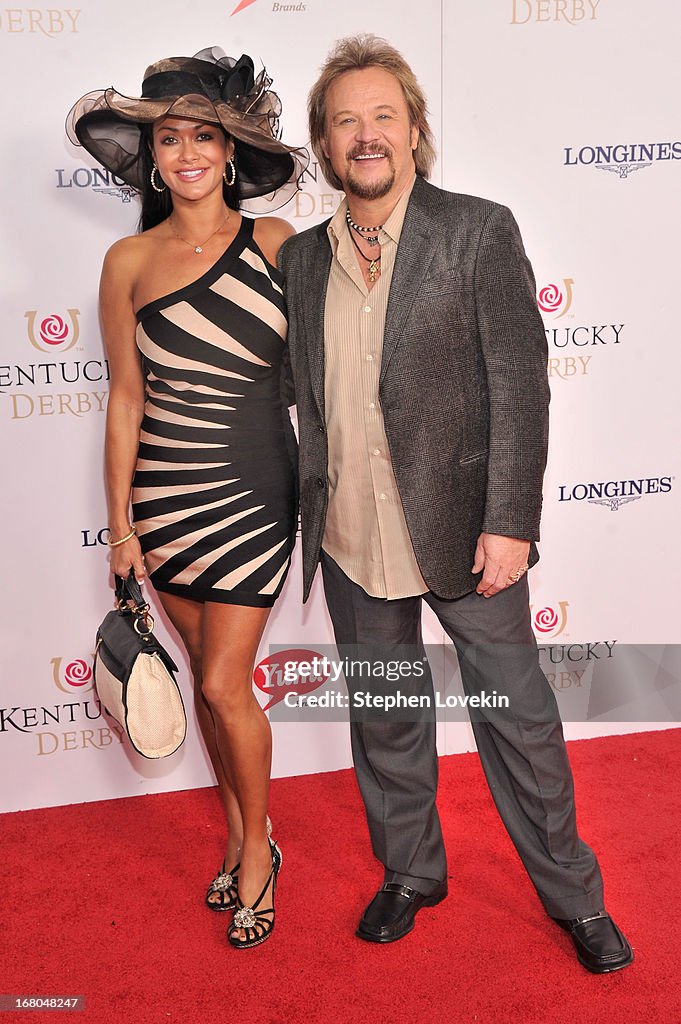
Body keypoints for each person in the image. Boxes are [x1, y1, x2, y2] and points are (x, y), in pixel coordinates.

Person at [278, 34, 632, 972]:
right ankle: (410, 872)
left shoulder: (477, 229)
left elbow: (521, 384)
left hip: (469, 533)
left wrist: (511, 518)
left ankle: (573, 896)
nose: (366, 136)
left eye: (382, 117)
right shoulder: (305, 259)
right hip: (352, 530)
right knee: (387, 712)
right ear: (323, 140)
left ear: (413, 129)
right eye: (346, 120)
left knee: (515, 718)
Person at [67, 47, 307, 950]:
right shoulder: (126, 258)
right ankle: (251, 834)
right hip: (163, 501)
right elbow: (126, 398)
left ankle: (257, 855)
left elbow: (322, 376)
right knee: (211, 694)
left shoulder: (280, 245)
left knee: (219, 679)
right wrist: (120, 525)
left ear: (231, 149)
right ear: (153, 155)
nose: (187, 153)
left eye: (203, 136)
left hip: (253, 490)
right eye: (169, 138)